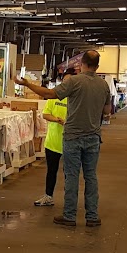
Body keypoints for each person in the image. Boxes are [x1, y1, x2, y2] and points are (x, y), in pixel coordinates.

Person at [17, 50, 111, 228]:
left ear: (81, 64)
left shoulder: (74, 82)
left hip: (73, 136)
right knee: (91, 176)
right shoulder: (104, 85)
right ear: (97, 66)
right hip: (93, 137)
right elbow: (106, 112)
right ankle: (92, 216)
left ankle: (70, 215)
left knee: (72, 176)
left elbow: (49, 94)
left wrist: (28, 84)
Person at [34, 69, 74, 207]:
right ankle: (48, 196)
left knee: (70, 174)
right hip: (53, 141)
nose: (67, 83)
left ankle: (69, 202)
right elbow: (45, 115)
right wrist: (57, 120)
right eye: (65, 80)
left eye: (70, 81)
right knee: (51, 171)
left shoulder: (76, 98)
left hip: (70, 142)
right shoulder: (55, 96)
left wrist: (68, 122)